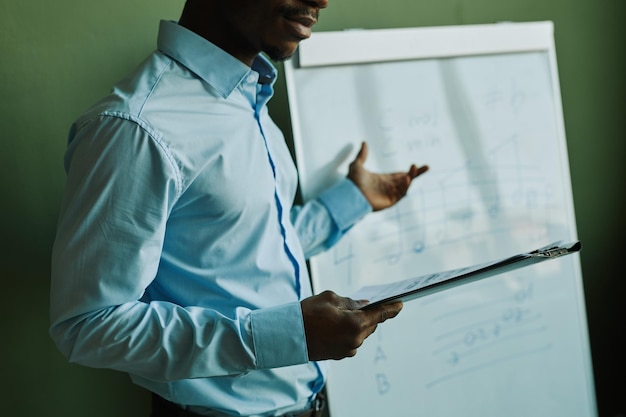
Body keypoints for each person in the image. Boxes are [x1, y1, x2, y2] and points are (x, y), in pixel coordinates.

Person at [49, 1, 429, 416]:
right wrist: (285, 335)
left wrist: (352, 199)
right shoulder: (137, 127)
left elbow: (250, 243)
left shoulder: (249, 102)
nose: (320, 0)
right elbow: (87, 325)